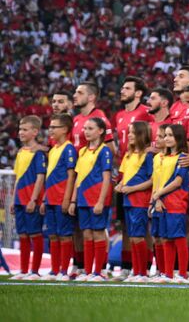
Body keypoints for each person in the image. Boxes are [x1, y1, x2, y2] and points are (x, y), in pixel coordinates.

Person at [73, 116, 114, 281]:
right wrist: (74, 200)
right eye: (85, 129)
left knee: (98, 234)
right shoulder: (82, 151)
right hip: (82, 199)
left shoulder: (104, 151)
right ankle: (88, 272)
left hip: (96, 199)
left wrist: (101, 201)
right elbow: (78, 178)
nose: (86, 132)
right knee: (87, 235)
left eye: (90, 129)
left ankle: (98, 272)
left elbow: (107, 178)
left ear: (101, 131)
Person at [149, 123, 189, 282]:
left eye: (170, 135)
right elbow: (157, 181)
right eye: (165, 135)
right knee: (165, 238)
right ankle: (168, 274)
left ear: (179, 138)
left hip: (176, 203)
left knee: (178, 237)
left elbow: (178, 181)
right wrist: (155, 200)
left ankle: (183, 274)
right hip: (161, 203)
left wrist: (157, 194)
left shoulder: (182, 157)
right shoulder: (162, 158)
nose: (166, 138)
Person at [115, 120, 156, 281]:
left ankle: (142, 272)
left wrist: (132, 189)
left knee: (139, 236)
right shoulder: (128, 154)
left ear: (141, 135)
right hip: (127, 200)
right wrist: (120, 185)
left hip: (140, 201)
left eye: (133, 133)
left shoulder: (148, 156)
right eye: (129, 132)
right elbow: (125, 177)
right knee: (132, 237)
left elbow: (152, 180)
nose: (129, 135)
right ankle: (136, 271)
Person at [12, 115, 47, 279]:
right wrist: (13, 200)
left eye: (25, 129)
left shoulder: (39, 154)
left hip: (31, 200)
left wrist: (34, 199)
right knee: (23, 235)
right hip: (19, 200)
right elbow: (17, 178)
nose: (21, 132)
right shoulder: (20, 152)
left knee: (35, 234)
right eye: (20, 129)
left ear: (35, 132)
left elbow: (40, 177)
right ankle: (24, 270)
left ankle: (35, 271)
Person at [44, 113, 78, 279]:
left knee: (64, 235)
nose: (50, 130)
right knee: (52, 234)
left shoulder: (69, 148)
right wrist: (44, 198)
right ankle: (54, 269)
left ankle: (64, 270)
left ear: (64, 129)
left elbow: (71, 175)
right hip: (50, 198)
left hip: (61, 198)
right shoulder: (53, 150)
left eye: (54, 127)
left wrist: (67, 198)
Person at [71, 82, 112, 148]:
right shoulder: (76, 118)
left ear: (91, 97)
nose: (74, 95)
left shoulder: (100, 119)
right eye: (75, 92)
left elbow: (110, 150)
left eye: (80, 93)